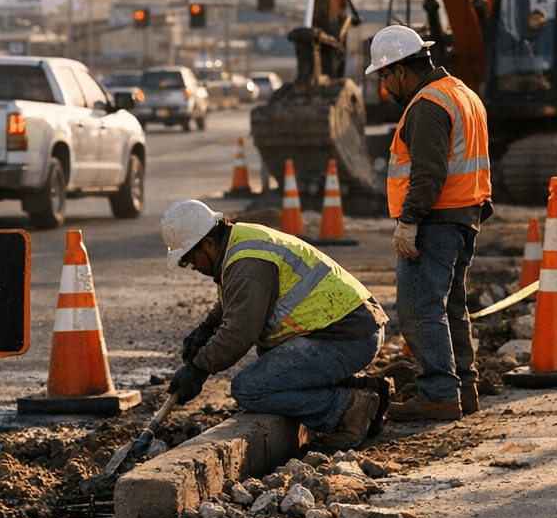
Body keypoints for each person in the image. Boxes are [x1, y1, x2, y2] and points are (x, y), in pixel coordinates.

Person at [160, 199, 390, 450]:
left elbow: (239, 333)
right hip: (348, 329)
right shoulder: (239, 243)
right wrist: (206, 328)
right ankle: (364, 388)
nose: (193, 266)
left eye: (190, 258)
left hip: (348, 338)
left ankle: (350, 408)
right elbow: (239, 299)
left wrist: (198, 369)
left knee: (250, 389)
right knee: (268, 357)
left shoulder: (246, 262)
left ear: (208, 243)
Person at [364, 24, 493, 421]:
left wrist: (409, 221)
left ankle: (438, 393)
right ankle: (463, 389)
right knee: (451, 306)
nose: (385, 85)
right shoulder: (463, 94)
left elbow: (428, 172)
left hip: (436, 219)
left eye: (386, 75)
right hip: (464, 216)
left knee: (420, 308)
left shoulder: (426, 105)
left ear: (403, 70)